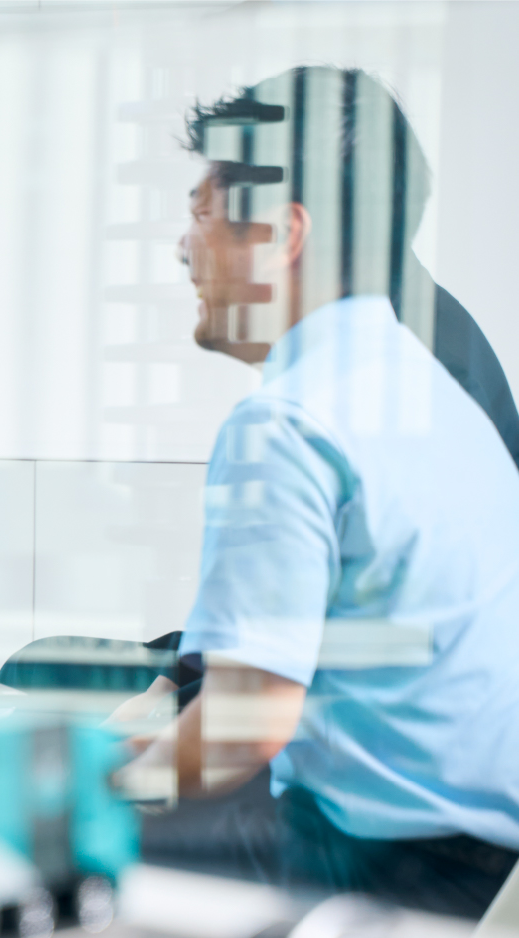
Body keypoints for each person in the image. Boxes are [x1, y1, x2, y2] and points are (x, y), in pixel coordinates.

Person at [120, 66, 519, 917]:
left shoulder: (288, 421)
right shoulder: (428, 390)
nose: (184, 248)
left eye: (201, 215)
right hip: (486, 867)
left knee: (43, 852)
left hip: (382, 869)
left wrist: (95, 788)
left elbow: (241, 730)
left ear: (281, 234)